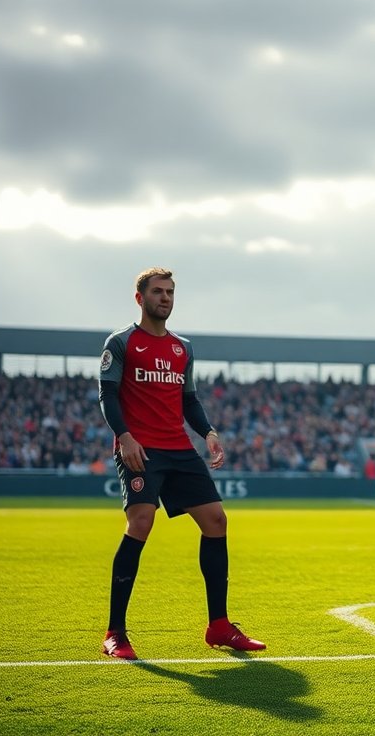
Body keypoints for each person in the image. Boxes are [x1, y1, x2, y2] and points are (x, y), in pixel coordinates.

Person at [97, 267, 266, 660]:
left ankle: (219, 626)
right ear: (140, 298)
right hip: (141, 448)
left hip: (178, 448)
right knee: (141, 523)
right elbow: (107, 396)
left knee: (217, 521)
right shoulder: (121, 343)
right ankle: (115, 633)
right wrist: (125, 437)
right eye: (158, 292)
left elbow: (189, 400)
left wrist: (208, 432)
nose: (166, 298)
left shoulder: (182, 348)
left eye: (170, 292)